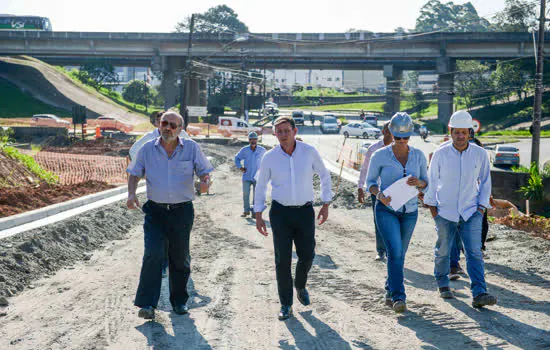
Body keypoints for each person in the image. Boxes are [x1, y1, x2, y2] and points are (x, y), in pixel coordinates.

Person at [126, 111, 214, 319]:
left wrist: (205, 181)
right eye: (165, 123)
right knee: (153, 254)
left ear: (180, 129)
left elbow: (204, 172)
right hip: (155, 211)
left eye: (173, 125)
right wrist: (131, 193)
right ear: (159, 125)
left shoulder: (191, 148)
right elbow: (134, 172)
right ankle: (147, 304)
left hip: (181, 211)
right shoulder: (148, 149)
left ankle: (179, 301)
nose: (168, 128)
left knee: (180, 258)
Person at [254, 116, 332, 320]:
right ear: (274, 134)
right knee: (282, 259)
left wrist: (325, 203)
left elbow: (324, 175)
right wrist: (258, 214)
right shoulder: (269, 157)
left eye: (286, 131)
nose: (283, 135)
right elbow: (261, 185)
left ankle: (300, 284)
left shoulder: (309, 152)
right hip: (280, 213)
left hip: (305, 212)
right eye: (279, 131)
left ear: (295, 131)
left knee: (307, 254)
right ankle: (286, 304)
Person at [424, 110, 497, 308]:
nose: (460, 136)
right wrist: (433, 209)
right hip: (445, 212)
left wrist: (481, 208)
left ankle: (480, 293)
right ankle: (442, 282)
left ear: (470, 132)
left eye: (464, 132)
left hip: (471, 211)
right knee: (443, 250)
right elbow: (432, 181)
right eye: (456, 132)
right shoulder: (441, 154)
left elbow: (485, 182)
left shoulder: (480, 154)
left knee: (474, 252)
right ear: (451, 131)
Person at [366, 112, 428, 313]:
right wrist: (379, 194)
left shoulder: (418, 155)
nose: (402, 141)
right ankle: (399, 297)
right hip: (386, 210)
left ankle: (389, 288)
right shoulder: (379, 155)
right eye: (398, 137)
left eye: (406, 137)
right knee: (394, 252)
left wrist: (419, 183)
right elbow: (371, 183)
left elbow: (426, 183)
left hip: (410, 212)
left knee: (400, 254)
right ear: (391, 134)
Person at [358, 121, 393, 261]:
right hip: (376, 191)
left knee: (393, 221)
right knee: (379, 221)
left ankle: (392, 250)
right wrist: (360, 187)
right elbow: (365, 169)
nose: (390, 133)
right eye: (388, 130)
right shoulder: (373, 149)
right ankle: (381, 250)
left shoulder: (398, 149)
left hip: (394, 191)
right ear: (383, 132)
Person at [234, 132, 266, 217]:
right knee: (246, 194)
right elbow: (237, 158)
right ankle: (246, 211)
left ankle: (254, 212)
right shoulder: (244, 150)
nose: (253, 141)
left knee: (256, 196)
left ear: (257, 140)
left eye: (255, 139)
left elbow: (267, 161)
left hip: (257, 177)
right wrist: (240, 167)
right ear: (249, 140)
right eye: (251, 139)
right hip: (247, 176)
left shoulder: (262, 150)